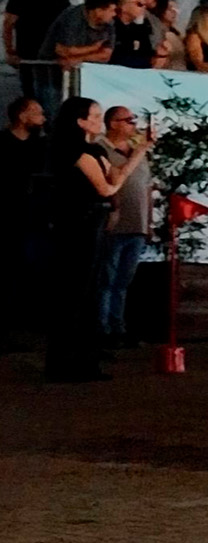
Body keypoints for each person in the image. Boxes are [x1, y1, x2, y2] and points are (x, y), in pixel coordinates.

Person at [44, 97, 152, 382]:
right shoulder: (74, 151)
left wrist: (139, 152)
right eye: (94, 116)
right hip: (77, 224)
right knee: (76, 291)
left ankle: (84, 358)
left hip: (94, 223)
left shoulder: (93, 149)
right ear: (80, 121)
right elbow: (107, 187)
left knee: (89, 291)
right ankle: (64, 362)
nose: (98, 120)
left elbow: (116, 175)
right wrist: (120, 179)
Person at [97, 105, 153, 348]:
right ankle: (102, 330)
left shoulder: (139, 152)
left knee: (123, 281)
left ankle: (118, 327)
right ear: (113, 123)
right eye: (128, 120)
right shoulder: (100, 149)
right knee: (106, 280)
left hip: (137, 225)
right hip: (113, 226)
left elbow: (147, 188)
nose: (133, 124)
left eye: (133, 120)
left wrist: (149, 222)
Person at [0, 97, 48, 351]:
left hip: (35, 217)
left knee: (28, 270)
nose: (43, 117)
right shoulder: (2, 143)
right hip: (8, 217)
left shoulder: (41, 145)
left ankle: (23, 324)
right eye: (37, 112)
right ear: (22, 115)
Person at [5, 0, 72, 101]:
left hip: (53, 59)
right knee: (32, 99)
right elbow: (8, 24)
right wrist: (10, 51)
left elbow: (67, 26)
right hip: (29, 58)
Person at [45, 0, 118, 75]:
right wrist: (94, 48)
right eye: (111, 10)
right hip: (52, 70)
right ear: (98, 11)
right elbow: (63, 51)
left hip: (88, 72)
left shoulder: (109, 24)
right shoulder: (72, 18)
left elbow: (105, 55)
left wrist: (79, 58)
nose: (114, 14)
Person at [108, 0, 155, 69]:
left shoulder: (142, 26)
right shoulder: (111, 25)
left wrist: (140, 26)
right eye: (139, 4)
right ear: (123, 5)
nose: (143, 8)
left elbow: (147, 54)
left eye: (144, 5)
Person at [150, 0, 186, 70]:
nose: (174, 12)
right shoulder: (156, 32)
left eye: (175, 9)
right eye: (170, 9)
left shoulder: (177, 33)